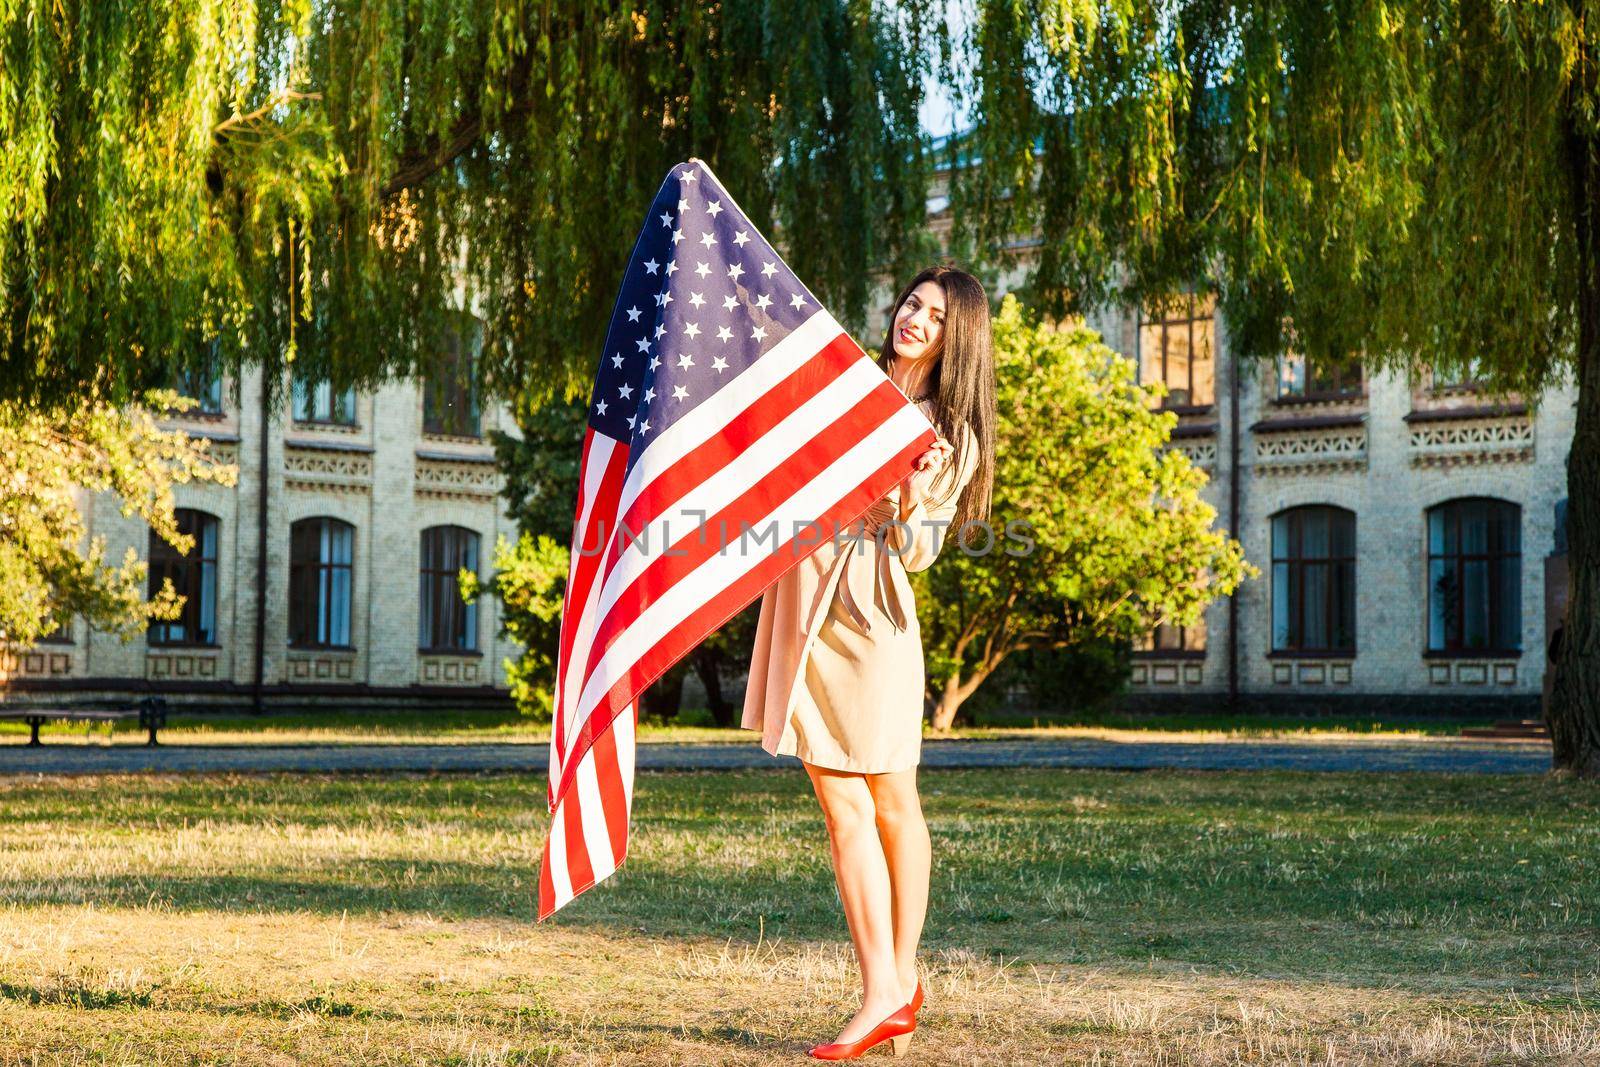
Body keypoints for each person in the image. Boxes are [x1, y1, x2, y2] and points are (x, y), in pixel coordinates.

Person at [741, 265, 997, 1059]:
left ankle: (892, 981)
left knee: (891, 800)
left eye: (935, 315)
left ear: (959, 339)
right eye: (912, 303)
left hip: (870, 620)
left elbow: (918, 556)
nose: (914, 319)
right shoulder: (849, 381)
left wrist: (917, 492)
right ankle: (888, 985)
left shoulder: (948, 431)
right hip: (807, 608)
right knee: (838, 804)